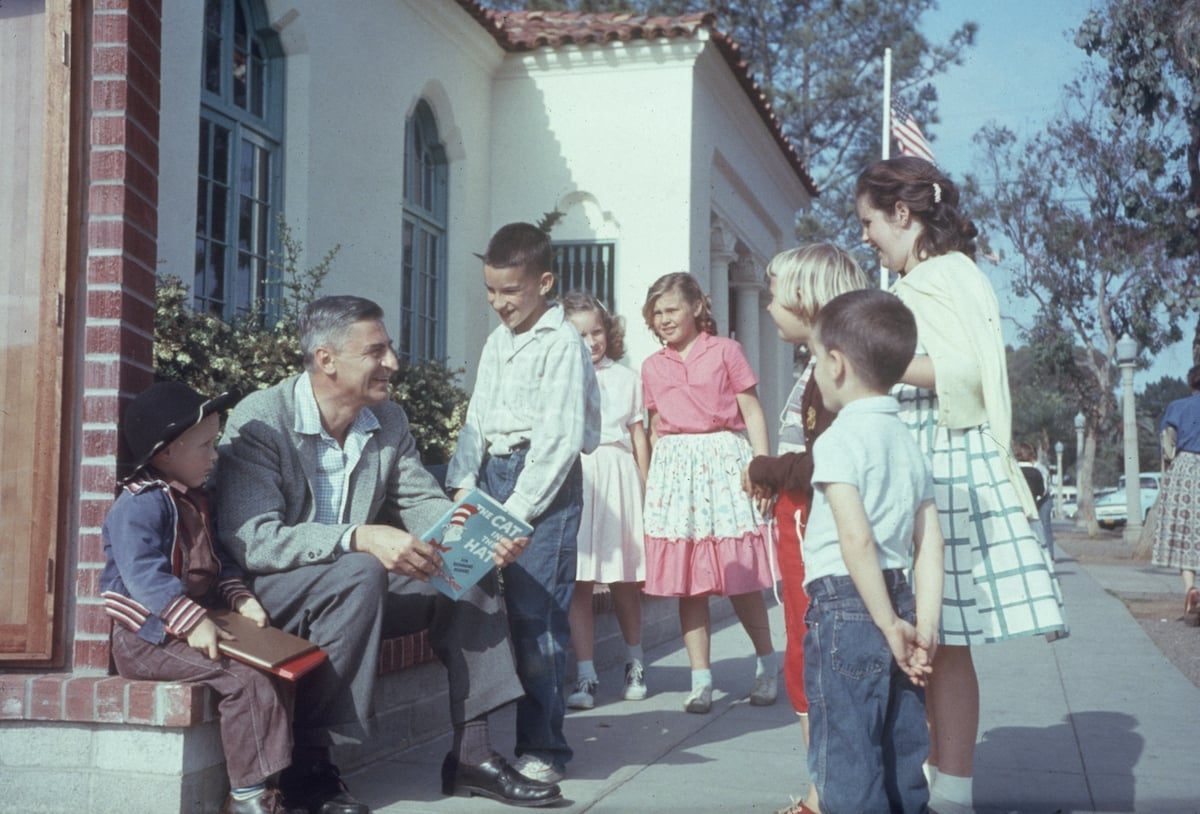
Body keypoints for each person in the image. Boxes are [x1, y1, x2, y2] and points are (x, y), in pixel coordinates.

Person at [217, 295, 562, 813]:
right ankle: (309, 769)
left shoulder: (388, 420)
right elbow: (254, 539)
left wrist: (479, 539)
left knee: (466, 568)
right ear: (326, 359)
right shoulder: (263, 417)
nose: (393, 364)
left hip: (357, 587)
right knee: (358, 568)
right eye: (376, 352)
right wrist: (358, 537)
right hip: (270, 594)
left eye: (390, 349)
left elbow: (422, 502)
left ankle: (472, 756)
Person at [856, 155, 1068, 814]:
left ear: (904, 214)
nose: (865, 237)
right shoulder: (937, 277)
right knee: (936, 643)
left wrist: (868, 356)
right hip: (929, 455)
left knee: (936, 639)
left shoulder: (940, 276)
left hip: (941, 461)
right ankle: (941, 787)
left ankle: (949, 794)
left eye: (869, 222)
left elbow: (964, 375)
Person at [445, 223, 601, 785]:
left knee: (538, 619)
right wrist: (465, 484)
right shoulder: (497, 341)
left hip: (544, 486)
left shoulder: (562, 344)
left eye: (510, 291)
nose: (498, 303)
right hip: (493, 474)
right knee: (482, 607)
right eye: (491, 290)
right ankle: (473, 747)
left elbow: (560, 440)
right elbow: (478, 417)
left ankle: (545, 747)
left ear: (544, 282)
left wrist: (516, 511)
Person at [102, 381, 291, 814]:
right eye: (206, 445)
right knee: (245, 679)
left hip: (190, 627)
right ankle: (247, 798)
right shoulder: (140, 505)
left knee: (276, 669)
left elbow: (217, 559)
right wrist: (192, 621)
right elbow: (143, 576)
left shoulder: (195, 499)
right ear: (165, 453)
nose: (215, 455)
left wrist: (240, 597)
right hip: (148, 639)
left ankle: (268, 783)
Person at [801, 287, 944, 814]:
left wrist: (887, 625)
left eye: (815, 358)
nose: (814, 370)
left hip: (848, 607)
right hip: (903, 602)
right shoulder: (908, 442)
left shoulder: (837, 440)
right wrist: (921, 630)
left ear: (836, 364)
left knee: (848, 752)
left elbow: (854, 539)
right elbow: (929, 543)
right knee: (902, 748)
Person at [742, 243, 869, 814]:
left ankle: (825, 795)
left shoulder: (834, 373)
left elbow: (825, 458)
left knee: (813, 650)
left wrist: (764, 467)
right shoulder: (816, 369)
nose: (767, 306)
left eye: (774, 294)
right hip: (802, 522)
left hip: (813, 526)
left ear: (804, 297)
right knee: (806, 650)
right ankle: (824, 787)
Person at [639, 271, 778, 714]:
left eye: (672, 309)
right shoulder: (651, 366)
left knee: (738, 576)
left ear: (698, 307)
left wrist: (761, 467)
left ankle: (766, 666)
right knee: (689, 584)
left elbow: (752, 411)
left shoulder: (726, 351)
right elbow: (656, 427)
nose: (664, 319)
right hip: (677, 474)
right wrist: (654, 487)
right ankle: (701, 680)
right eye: (656, 313)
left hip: (723, 465)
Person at [560, 290, 652, 709]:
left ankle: (635, 661)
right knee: (579, 578)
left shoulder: (627, 378)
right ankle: (585, 675)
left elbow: (638, 436)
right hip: (578, 475)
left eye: (597, 332)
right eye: (580, 334)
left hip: (617, 476)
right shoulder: (560, 377)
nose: (591, 341)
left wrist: (647, 487)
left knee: (622, 577)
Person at [1151, 363, 1200, 625]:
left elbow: (1166, 443)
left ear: (1192, 383)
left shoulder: (1177, 407)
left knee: (1187, 533)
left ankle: (1190, 588)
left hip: (1186, 468)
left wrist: (1172, 460)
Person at [1015, 441, 1055, 561]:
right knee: (1039, 530)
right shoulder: (1035, 472)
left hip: (1020, 505)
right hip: (1034, 503)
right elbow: (1041, 490)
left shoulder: (1013, 472)